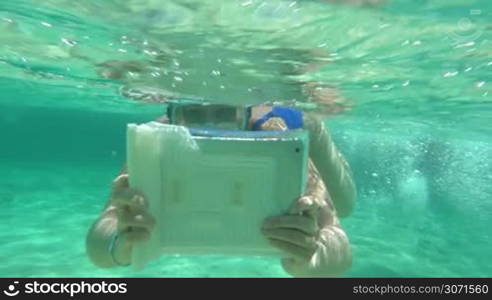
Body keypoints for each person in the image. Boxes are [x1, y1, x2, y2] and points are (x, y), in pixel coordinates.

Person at [85, 102, 356, 277]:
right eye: (194, 113)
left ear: (246, 114)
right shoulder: (155, 139)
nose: (209, 126)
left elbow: (338, 251)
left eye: (226, 114)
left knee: (344, 204)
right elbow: (100, 245)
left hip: (306, 128)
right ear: (173, 115)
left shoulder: (275, 132)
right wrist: (120, 241)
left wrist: (314, 256)